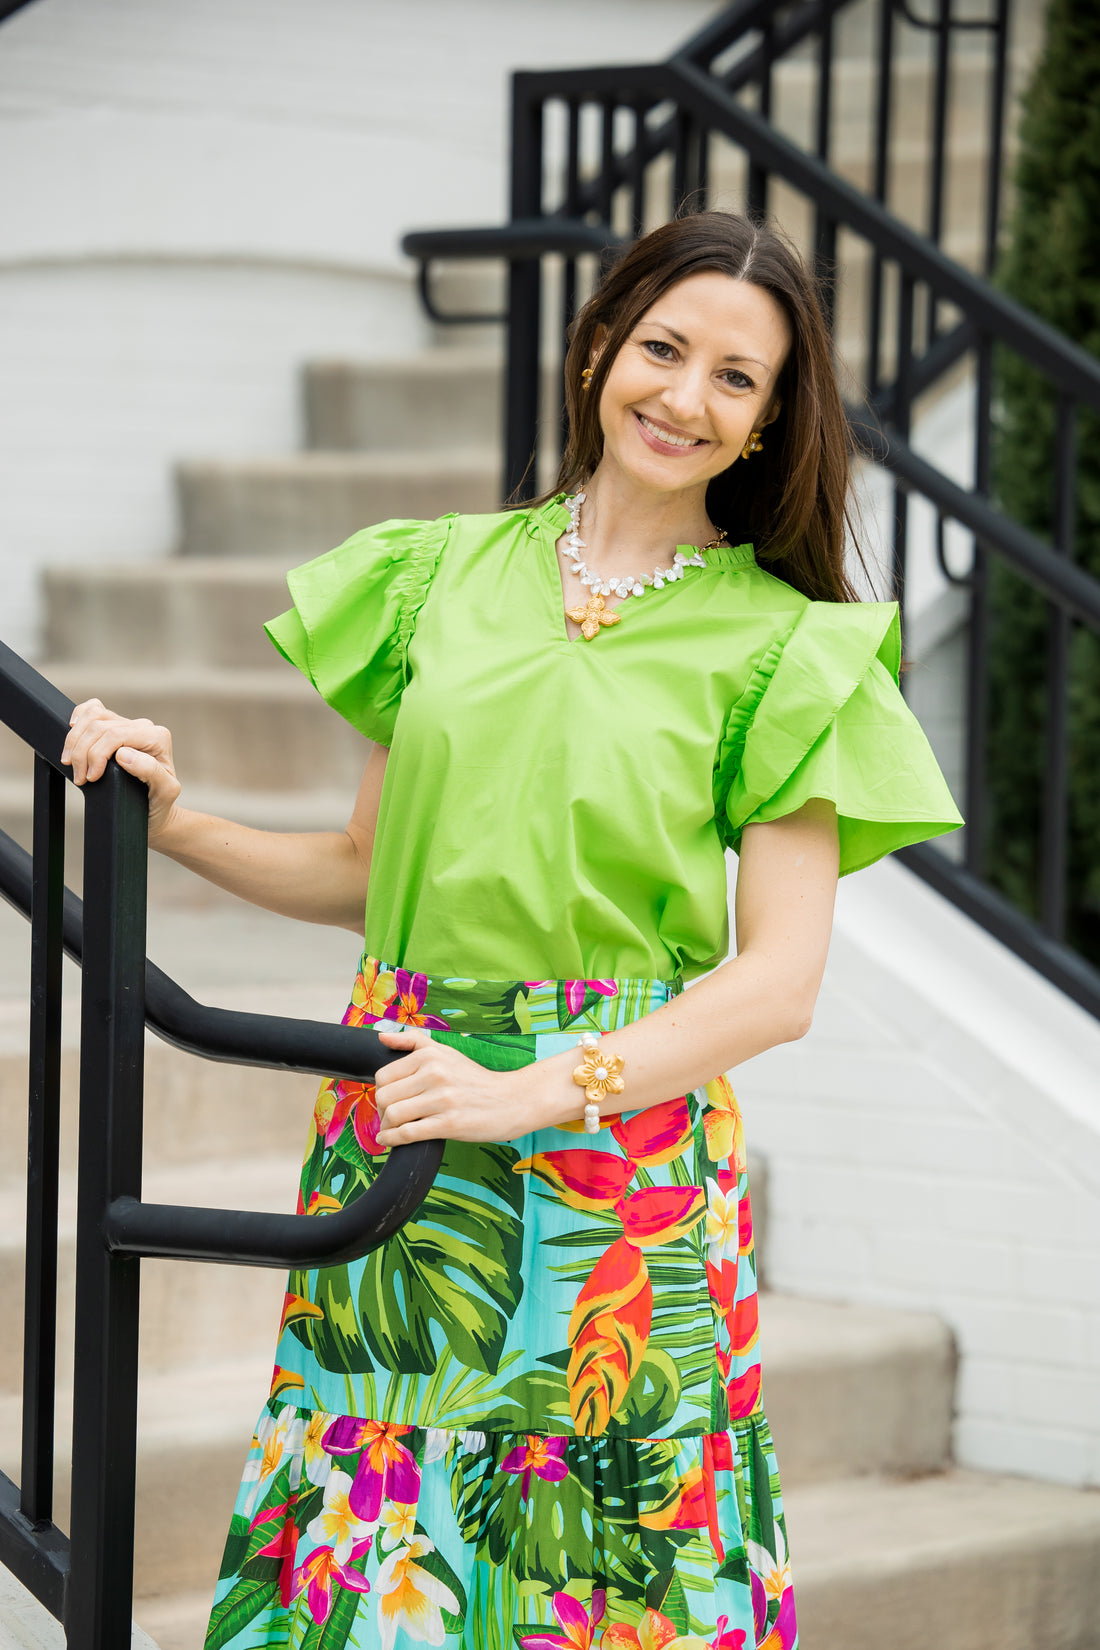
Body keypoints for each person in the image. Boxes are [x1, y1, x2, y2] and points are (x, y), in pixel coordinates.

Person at [60, 212, 962, 1650]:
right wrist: (171, 823)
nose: (685, 396)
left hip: (626, 1150)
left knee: (606, 1559)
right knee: (380, 1547)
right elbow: (369, 867)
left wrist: (539, 1087)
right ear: (598, 343)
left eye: (738, 377)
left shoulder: (795, 649)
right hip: (404, 1101)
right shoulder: (440, 575)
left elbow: (778, 984)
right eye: (664, 348)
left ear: (771, 420)